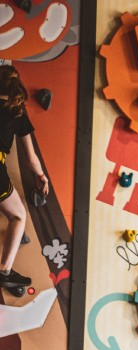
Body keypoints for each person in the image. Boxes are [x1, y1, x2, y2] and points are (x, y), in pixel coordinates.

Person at [0, 65, 48, 289]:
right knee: (18, 216)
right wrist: (41, 176)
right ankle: (4, 271)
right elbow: (31, 157)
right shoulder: (17, 110)